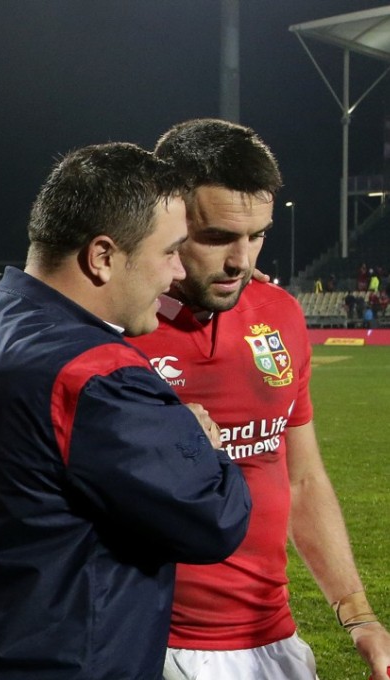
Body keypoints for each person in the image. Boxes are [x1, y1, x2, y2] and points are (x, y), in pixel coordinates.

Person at [0, 142, 252, 679]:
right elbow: (216, 518)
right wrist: (203, 443)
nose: (175, 274)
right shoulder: (98, 376)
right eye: (169, 251)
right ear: (102, 257)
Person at [131, 117, 390, 680]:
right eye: (218, 236)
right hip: (148, 644)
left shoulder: (280, 314)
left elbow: (301, 478)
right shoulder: (111, 326)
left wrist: (358, 614)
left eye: (257, 235)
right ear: (166, 218)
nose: (241, 260)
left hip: (273, 642)